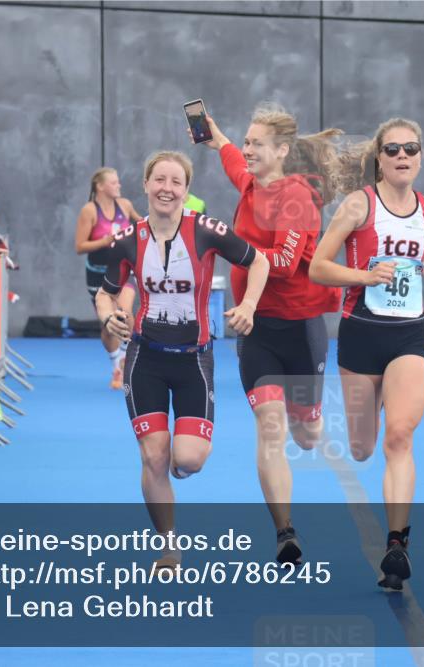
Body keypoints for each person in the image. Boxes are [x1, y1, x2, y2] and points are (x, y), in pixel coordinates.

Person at [95, 151, 268, 568]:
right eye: (159, 180)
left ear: (187, 191)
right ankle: (168, 546)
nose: (166, 189)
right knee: (153, 456)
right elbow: (105, 291)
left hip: (194, 361)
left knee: (187, 460)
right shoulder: (126, 240)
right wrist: (109, 317)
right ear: (146, 185)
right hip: (145, 359)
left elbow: (258, 260)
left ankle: (179, 461)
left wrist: (248, 307)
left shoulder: (207, 231)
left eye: (176, 182)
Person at [198, 105, 341, 564]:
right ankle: (285, 532)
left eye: (257, 143)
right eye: (247, 140)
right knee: (270, 427)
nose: (247, 149)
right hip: (255, 329)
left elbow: (279, 262)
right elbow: (232, 161)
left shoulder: (297, 197)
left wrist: (230, 245)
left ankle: (314, 411)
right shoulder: (249, 183)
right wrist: (216, 136)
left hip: (300, 328)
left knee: (307, 434)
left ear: (281, 151)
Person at [309, 118, 424, 590]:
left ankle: (397, 545)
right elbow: (318, 268)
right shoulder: (358, 205)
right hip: (361, 334)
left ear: (421, 156)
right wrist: (366, 277)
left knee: (400, 438)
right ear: (379, 160)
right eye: (393, 150)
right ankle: (375, 407)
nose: (403, 156)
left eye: (411, 148)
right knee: (363, 447)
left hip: (409, 334)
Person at [75, 167, 142, 389]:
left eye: (118, 182)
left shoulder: (125, 205)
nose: (118, 186)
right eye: (113, 182)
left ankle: (124, 359)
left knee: (125, 312)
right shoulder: (89, 211)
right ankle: (115, 365)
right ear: (100, 186)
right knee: (109, 322)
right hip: (98, 273)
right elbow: (80, 246)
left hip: (123, 269)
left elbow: (142, 224)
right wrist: (105, 241)